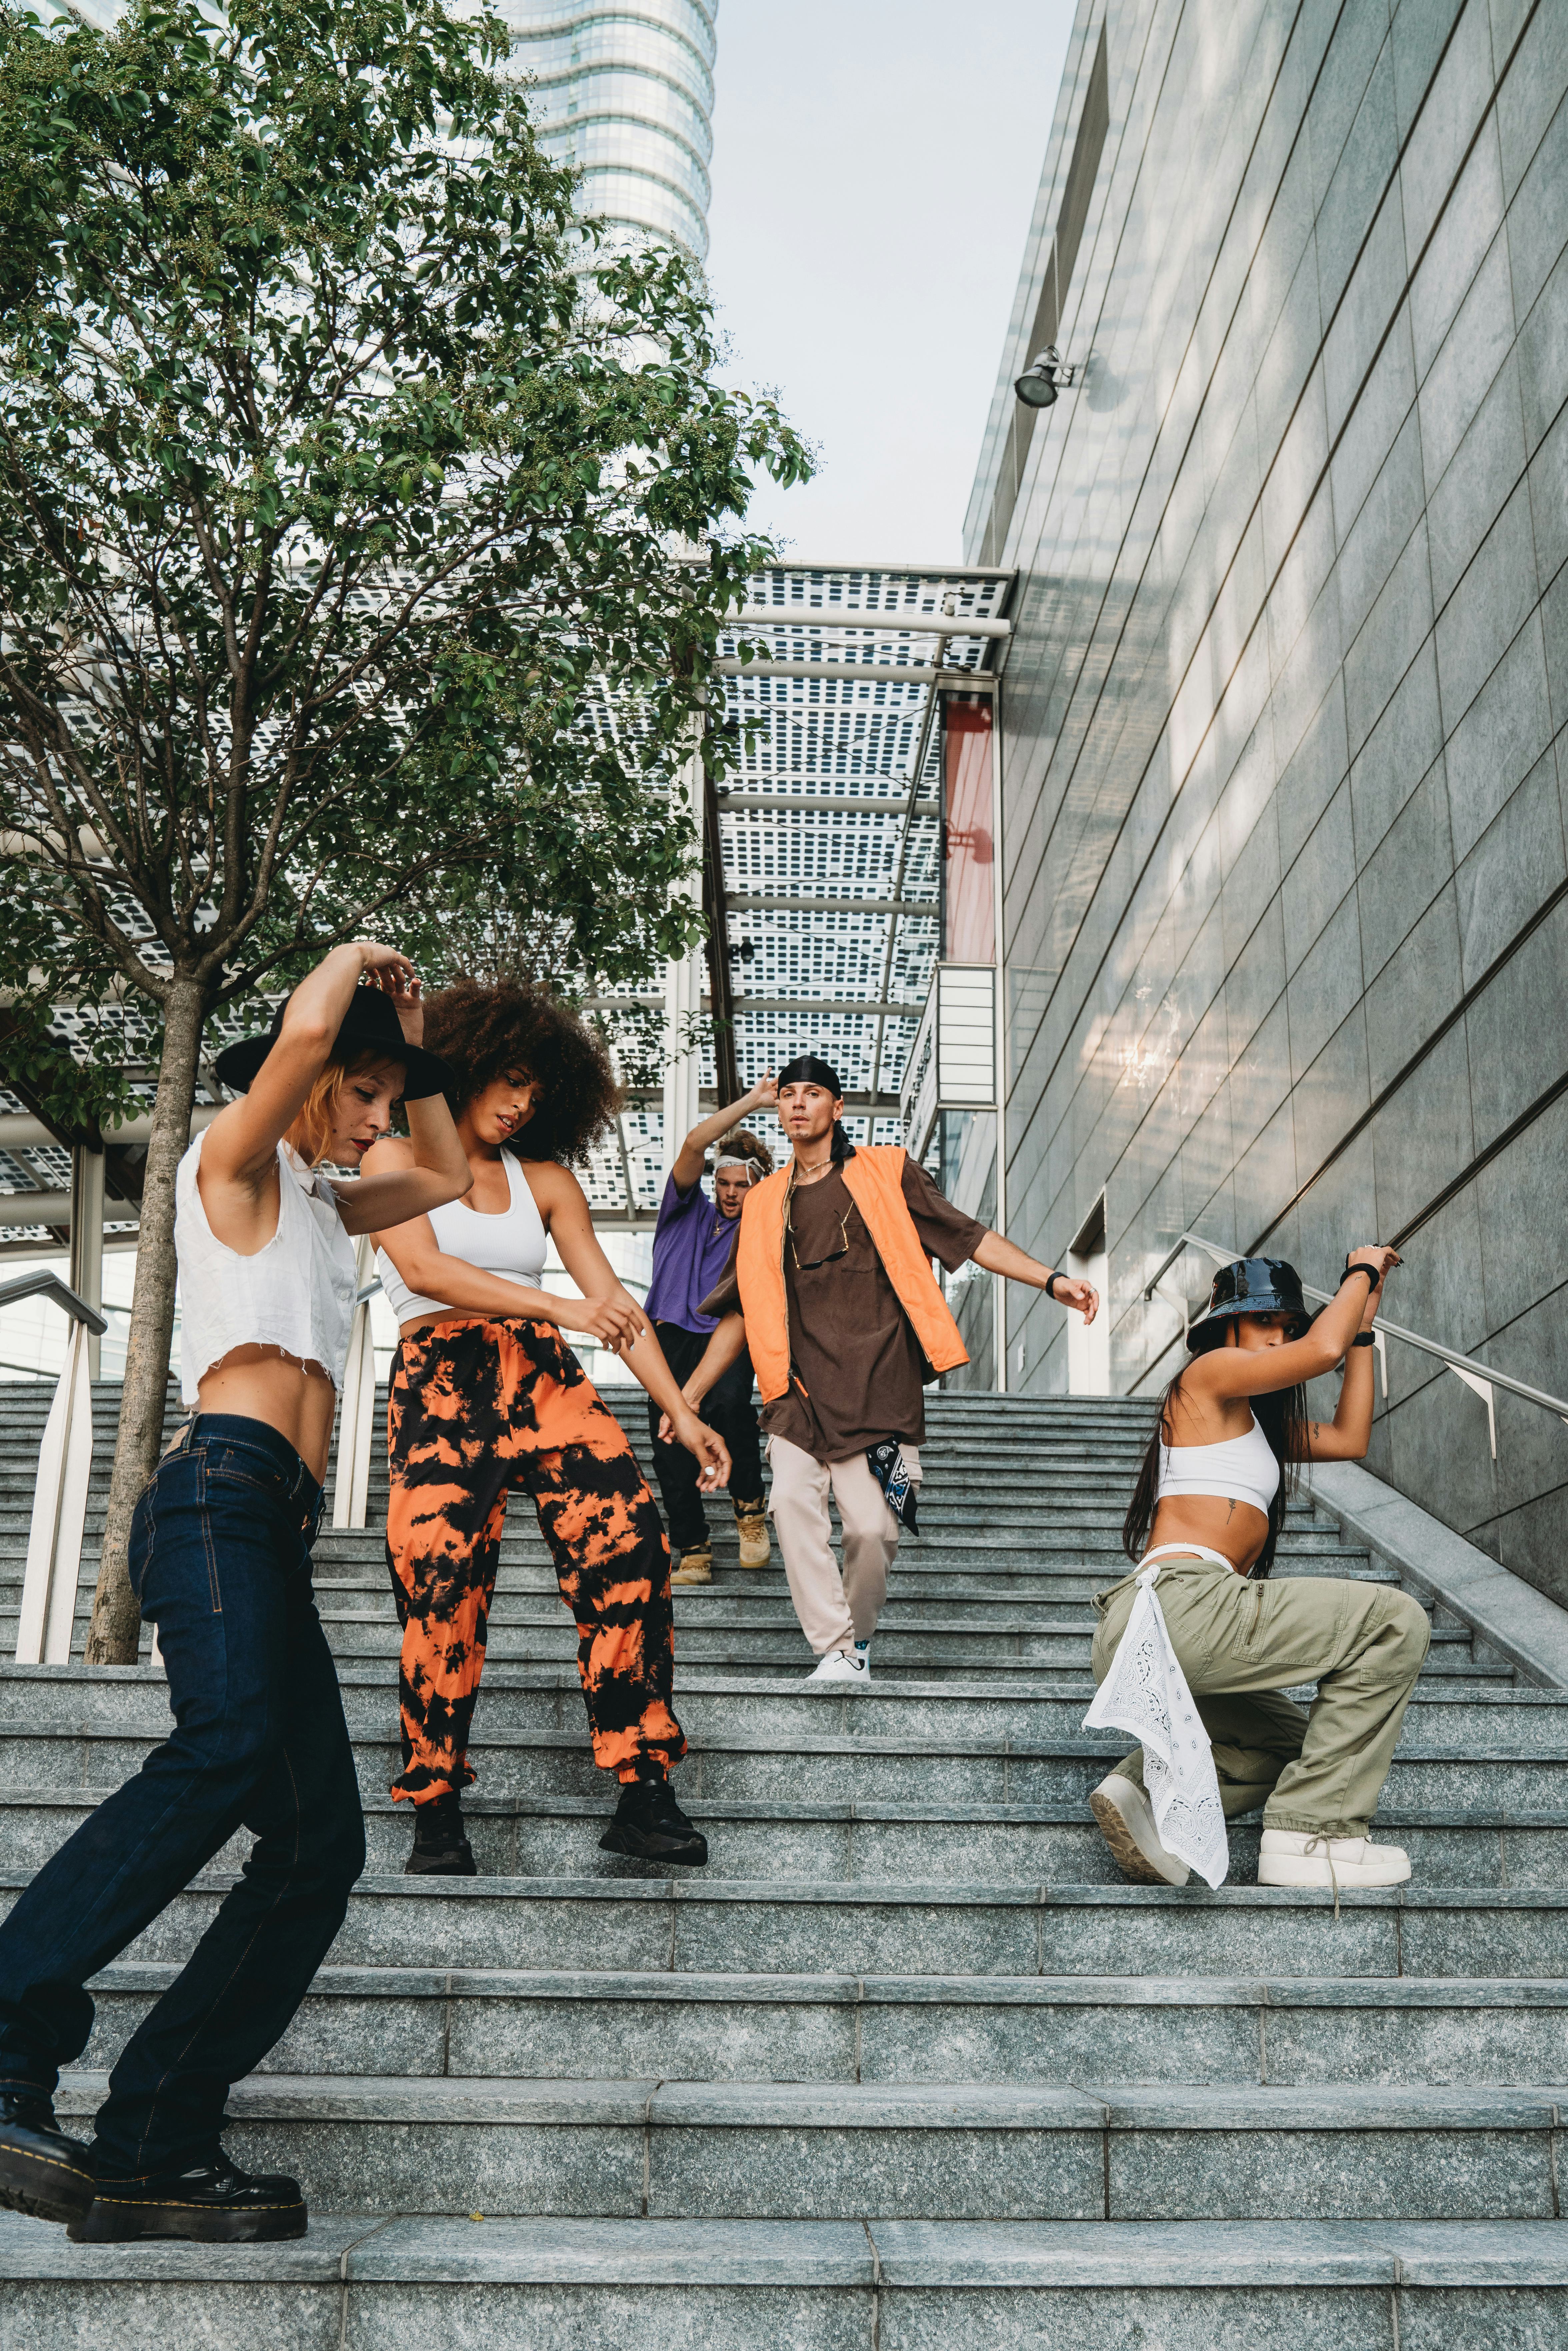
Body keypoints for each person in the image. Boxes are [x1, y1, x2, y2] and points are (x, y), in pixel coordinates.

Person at [0, 942, 472, 2245]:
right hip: (215, 1490)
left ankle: (154, 2134)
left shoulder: (326, 1205)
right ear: (302, 1079)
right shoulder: (236, 1165)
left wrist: (415, 1035)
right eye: (363, 1089)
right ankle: (9, 2032)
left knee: (321, 1842)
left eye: (389, 1094)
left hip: (272, 1527)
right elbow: (305, 1041)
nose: (379, 1117)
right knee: (225, 1751)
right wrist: (339, 971)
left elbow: (443, 1172)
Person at [363, 977, 730, 1879]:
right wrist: (559, 1307)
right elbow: (426, 1268)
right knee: (440, 1580)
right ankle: (437, 1803)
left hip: (545, 1377)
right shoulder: (391, 1159)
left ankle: (643, 1789)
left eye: (537, 1089)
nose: (522, 1102)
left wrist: (681, 1412)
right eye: (509, 1079)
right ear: (466, 1066)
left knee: (632, 1544)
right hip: (442, 1378)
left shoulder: (548, 1181)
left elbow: (615, 1308)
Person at [665, 1055, 1099, 1686]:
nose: (797, 1104)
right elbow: (742, 1310)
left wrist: (1051, 1280)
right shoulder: (760, 1205)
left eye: (813, 1094)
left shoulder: (887, 1172)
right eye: (787, 1095)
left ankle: (856, 1644)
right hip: (798, 1393)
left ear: (837, 1109)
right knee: (787, 1500)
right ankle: (835, 1645)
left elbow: (967, 1236)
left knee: (872, 1530)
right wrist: (688, 1399)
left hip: (879, 1386)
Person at [1088, 1247, 1427, 1894]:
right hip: (1182, 1602)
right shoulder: (1207, 1375)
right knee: (1395, 1622)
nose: (1281, 1334)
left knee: (1307, 1748)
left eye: (1289, 1325)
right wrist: (1356, 1270)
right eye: (1265, 1320)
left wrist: (1362, 1329)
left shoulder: (1260, 1428)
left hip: (1172, 1624)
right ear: (1227, 1326)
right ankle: (1313, 1834)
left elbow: (1352, 1437)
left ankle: (1143, 1790)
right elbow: (1320, 1353)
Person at [646, 1076, 777, 1586]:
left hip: (726, 1333)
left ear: (757, 1187)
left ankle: (749, 1509)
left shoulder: (759, 1231)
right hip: (669, 1333)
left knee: (728, 1407)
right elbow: (694, 1146)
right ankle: (693, 1547)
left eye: (742, 1186)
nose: (730, 1194)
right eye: (724, 1184)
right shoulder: (682, 1210)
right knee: (668, 1437)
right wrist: (751, 1102)